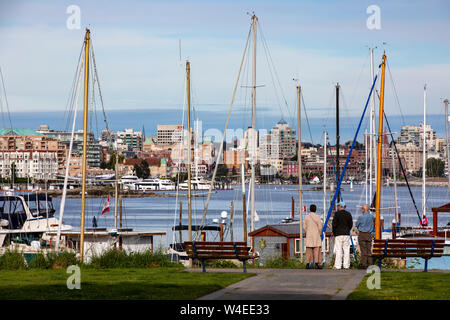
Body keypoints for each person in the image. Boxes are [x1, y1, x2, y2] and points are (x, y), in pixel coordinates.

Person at [332, 201, 353, 270]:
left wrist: (334, 232)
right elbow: (351, 224)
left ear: (340, 206)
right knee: (346, 250)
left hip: (338, 234)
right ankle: (346, 265)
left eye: (338, 206)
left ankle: (338, 265)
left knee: (339, 250)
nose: (337, 207)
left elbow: (334, 224)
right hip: (346, 233)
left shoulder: (337, 214)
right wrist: (347, 230)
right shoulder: (348, 214)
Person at [303, 204, 323, 269]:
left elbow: (304, 227)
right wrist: (319, 233)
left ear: (309, 209)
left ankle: (307, 264)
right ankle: (316, 264)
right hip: (316, 235)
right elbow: (320, 227)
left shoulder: (306, 217)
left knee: (308, 250)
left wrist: (307, 231)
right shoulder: (317, 217)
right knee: (316, 250)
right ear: (315, 209)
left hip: (309, 235)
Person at [355, 204, 374, 269]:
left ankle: (364, 264)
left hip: (362, 234)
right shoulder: (371, 217)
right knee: (369, 249)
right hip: (369, 234)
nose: (361, 210)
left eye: (362, 209)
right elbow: (372, 225)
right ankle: (370, 264)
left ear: (364, 209)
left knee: (363, 250)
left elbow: (356, 224)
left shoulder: (361, 217)